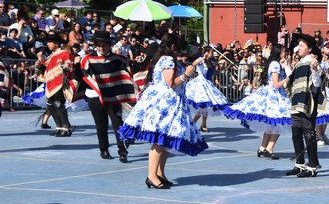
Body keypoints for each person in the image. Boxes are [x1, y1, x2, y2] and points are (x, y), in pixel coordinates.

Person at [119, 37, 208, 189]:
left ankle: (159, 173)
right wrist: (186, 75)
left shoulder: (168, 59)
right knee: (159, 140)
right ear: (173, 46)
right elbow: (171, 83)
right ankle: (151, 175)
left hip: (172, 104)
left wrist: (191, 67)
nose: (183, 51)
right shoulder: (167, 60)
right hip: (166, 104)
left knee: (165, 141)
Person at [222, 44, 291, 159]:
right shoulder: (275, 64)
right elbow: (276, 84)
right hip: (275, 97)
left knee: (271, 124)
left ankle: (263, 148)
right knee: (279, 122)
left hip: (274, 95)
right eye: (284, 51)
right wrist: (289, 78)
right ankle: (269, 149)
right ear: (279, 52)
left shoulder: (277, 64)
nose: (286, 53)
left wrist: (287, 66)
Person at [80, 30, 137, 162]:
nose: (101, 48)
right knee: (101, 125)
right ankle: (104, 149)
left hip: (113, 96)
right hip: (95, 96)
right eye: (98, 45)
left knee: (118, 123)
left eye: (104, 45)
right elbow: (81, 76)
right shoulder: (87, 59)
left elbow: (127, 72)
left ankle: (123, 151)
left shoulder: (118, 59)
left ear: (109, 45)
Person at [285, 34, 323, 178]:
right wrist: (287, 66)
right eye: (298, 45)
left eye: (301, 46)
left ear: (309, 49)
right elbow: (292, 82)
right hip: (296, 102)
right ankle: (300, 164)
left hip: (307, 103)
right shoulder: (299, 64)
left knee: (308, 134)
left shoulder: (312, 63)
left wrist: (314, 70)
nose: (298, 48)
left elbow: (317, 84)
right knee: (296, 133)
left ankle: (313, 166)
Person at [186, 46, 230, 132]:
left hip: (207, 83)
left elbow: (212, 73)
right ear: (206, 52)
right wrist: (203, 57)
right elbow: (193, 64)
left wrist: (221, 69)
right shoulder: (201, 59)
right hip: (201, 84)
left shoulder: (210, 61)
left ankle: (202, 124)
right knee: (203, 105)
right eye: (211, 52)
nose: (212, 54)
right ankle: (194, 124)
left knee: (206, 105)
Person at [41, 32, 74, 137]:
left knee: (58, 105)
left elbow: (70, 64)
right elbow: (44, 68)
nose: (48, 44)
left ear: (56, 43)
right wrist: (38, 66)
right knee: (51, 106)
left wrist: (66, 66)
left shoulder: (64, 53)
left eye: (50, 42)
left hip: (60, 83)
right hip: (51, 83)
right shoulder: (51, 56)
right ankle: (59, 127)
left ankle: (66, 128)